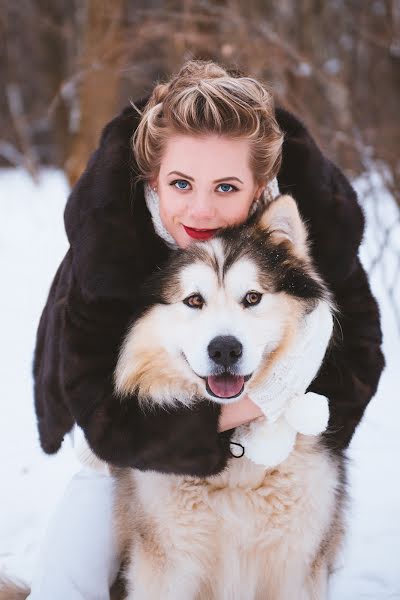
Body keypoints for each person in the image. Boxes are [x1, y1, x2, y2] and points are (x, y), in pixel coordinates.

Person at [28, 59, 384, 599]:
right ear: (152, 179)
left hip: (278, 441)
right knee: (92, 511)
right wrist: (254, 402)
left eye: (225, 187)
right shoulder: (112, 240)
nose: (200, 208)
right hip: (125, 429)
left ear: (260, 184)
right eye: (181, 183)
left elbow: (359, 353)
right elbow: (108, 419)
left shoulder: (307, 222)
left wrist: (291, 418)